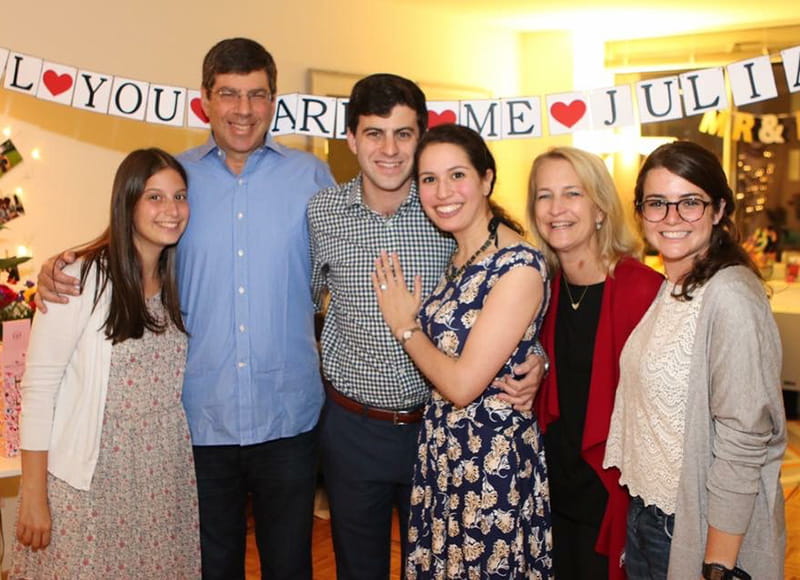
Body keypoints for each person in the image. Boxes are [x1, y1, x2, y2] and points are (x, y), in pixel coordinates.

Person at [34, 38, 335, 580]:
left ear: (274, 101)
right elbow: (131, 231)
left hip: (288, 416)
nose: (243, 110)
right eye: (228, 94)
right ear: (204, 100)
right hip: (198, 421)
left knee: (290, 565)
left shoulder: (311, 178)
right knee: (208, 565)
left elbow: (352, 268)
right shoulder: (181, 179)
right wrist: (62, 261)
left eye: (257, 95)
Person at [308, 75, 544, 579]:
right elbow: (299, 307)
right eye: (374, 134)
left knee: (445, 564)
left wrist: (539, 357)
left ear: (421, 137)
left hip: (438, 434)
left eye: (403, 134)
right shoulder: (323, 213)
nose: (389, 150)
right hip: (354, 428)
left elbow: (520, 286)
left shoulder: (447, 211)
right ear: (351, 140)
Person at [372, 123, 552, 578]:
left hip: (491, 468)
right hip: (447, 455)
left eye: (457, 175)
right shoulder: (460, 256)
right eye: (429, 179)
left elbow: (461, 384)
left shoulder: (517, 265)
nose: (442, 191)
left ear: (487, 180)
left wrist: (405, 326)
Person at [11, 148, 199, 578]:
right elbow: (39, 390)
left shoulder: (177, 277)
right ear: (126, 203)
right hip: (92, 475)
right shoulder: (78, 279)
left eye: (179, 195)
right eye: (155, 197)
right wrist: (34, 494)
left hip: (161, 475)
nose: (171, 210)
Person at [603, 141, 787, 579]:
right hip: (649, 517)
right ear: (641, 211)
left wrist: (717, 565)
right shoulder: (675, 285)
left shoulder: (729, 296)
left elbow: (744, 440)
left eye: (689, 203)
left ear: (719, 209)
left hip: (696, 531)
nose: (671, 219)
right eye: (657, 204)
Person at [527, 147, 663, 580]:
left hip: (613, 496)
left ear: (601, 207)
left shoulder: (644, 290)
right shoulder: (540, 289)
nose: (556, 209)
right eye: (544, 195)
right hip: (551, 493)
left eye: (573, 193)